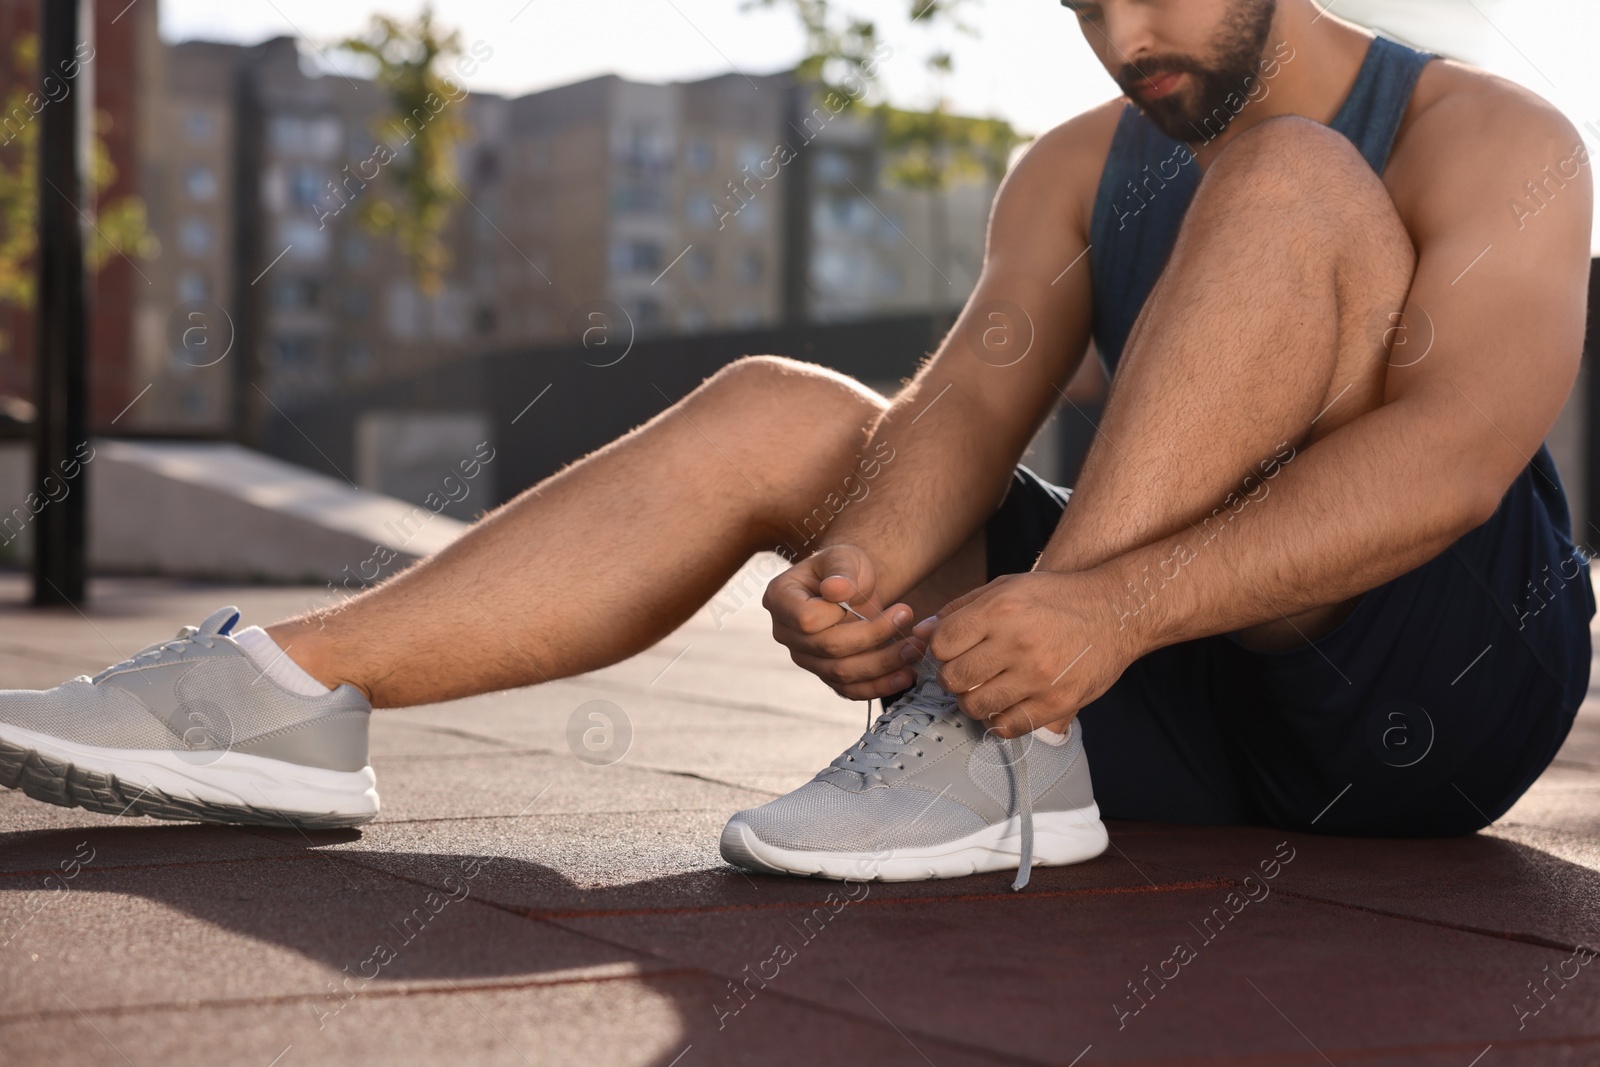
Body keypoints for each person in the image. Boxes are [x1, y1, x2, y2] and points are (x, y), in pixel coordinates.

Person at [0, 0, 1591, 890]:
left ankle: (990, 736)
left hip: (1423, 686)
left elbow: (1453, 459)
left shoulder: (1486, 135)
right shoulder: (1073, 166)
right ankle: (283, 692)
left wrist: (1099, 612)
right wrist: (868, 565)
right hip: (1138, 694)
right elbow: (967, 403)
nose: (1124, 33)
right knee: (786, 406)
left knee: (1291, 176)